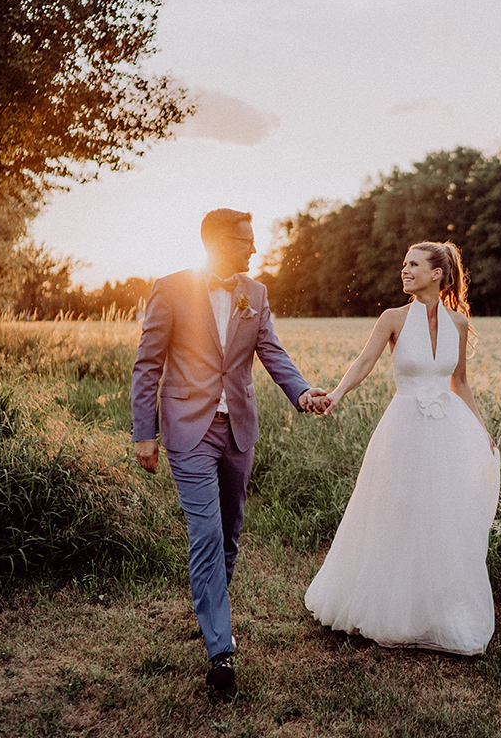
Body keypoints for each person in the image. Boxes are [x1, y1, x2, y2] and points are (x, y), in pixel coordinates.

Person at [131, 208, 326, 690]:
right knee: (206, 534)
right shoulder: (171, 288)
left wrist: (302, 392)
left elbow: (272, 352)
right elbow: (148, 363)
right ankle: (221, 650)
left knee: (230, 532)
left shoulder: (254, 293)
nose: (254, 248)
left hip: (239, 429)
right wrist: (144, 432)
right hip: (188, 431)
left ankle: (210, 608)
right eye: (245, 240)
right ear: (217, 242)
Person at [304, 241, 501, 655]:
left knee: (442, 515)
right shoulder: (392, 318)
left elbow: (460, 382)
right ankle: (389, 607)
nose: (404, 270)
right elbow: (364, 362)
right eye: (404, 264)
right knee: (397, 509)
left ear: (437, 274)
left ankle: (439, 609)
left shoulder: (458, 323)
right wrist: (336, 394)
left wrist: (482, 432)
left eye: (413, 265)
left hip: (448, 429)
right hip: (404, 427)